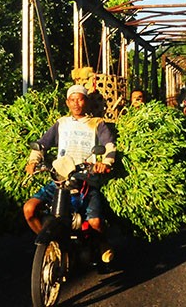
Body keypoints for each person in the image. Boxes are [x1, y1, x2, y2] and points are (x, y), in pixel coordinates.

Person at [23, 84, 116, 262]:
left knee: (95, 223)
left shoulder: (97, 123)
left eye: (79, 99)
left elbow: (109, 145)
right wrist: (33, 161)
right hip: (60, 179)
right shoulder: (62, 123)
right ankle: (50, 246)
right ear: (67, 102)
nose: (76, 103)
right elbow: (42, 144)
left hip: (85, 179)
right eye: (72, 100)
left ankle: (102, 242)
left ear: (86, 101)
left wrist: (105, 163)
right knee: (29, 209)